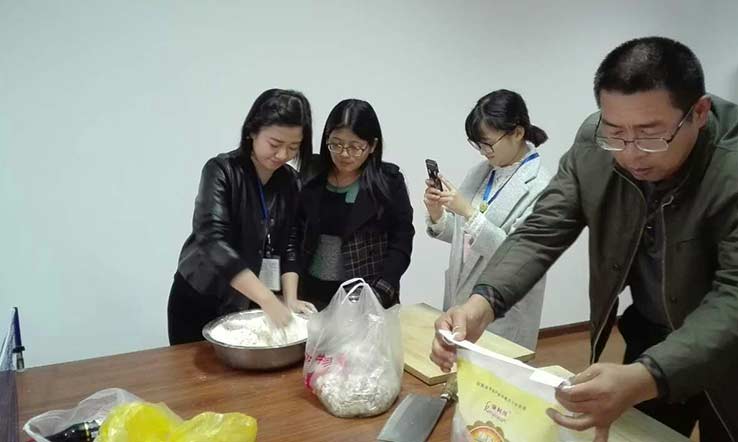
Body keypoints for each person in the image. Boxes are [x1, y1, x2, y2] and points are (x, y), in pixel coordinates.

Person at [430, 37, 738, 441]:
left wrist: (648, 375)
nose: (630, 154)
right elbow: (541, 230)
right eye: (615, 133)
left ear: (699, 113)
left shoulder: (730, 164)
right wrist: (480, 304)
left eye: (650, 135)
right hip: (652, 337)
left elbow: (733, 296)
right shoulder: (594, 143)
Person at [168, 88, 316, 346]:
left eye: (293, 147)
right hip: (202, 296)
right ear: (252, 132)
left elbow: (291, 243)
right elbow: (212, 240)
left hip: (249, 301)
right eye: (275, 144)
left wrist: (290, 298)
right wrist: (267, 298)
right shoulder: (221, 170)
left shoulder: (291, 182)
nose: (283, 155)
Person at [424, 89, 552, 350]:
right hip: (461, 300)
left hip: (502, 314)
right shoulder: (482, 172)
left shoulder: (542, 187)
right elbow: (464, 237)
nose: (483, 152)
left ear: (517, 133)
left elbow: (519, 258)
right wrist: (438, 213)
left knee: (492, 374)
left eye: (488, 143)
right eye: (477, 144)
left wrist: (469, 213)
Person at [298, 99, 414, 311]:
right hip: (310, 293)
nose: (344, 154)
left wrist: (383, 289)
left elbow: (402, 239)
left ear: (372, 146)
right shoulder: (311, 173)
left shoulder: (388, 181)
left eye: (355, 147)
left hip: (365, 294)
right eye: (336, 144)